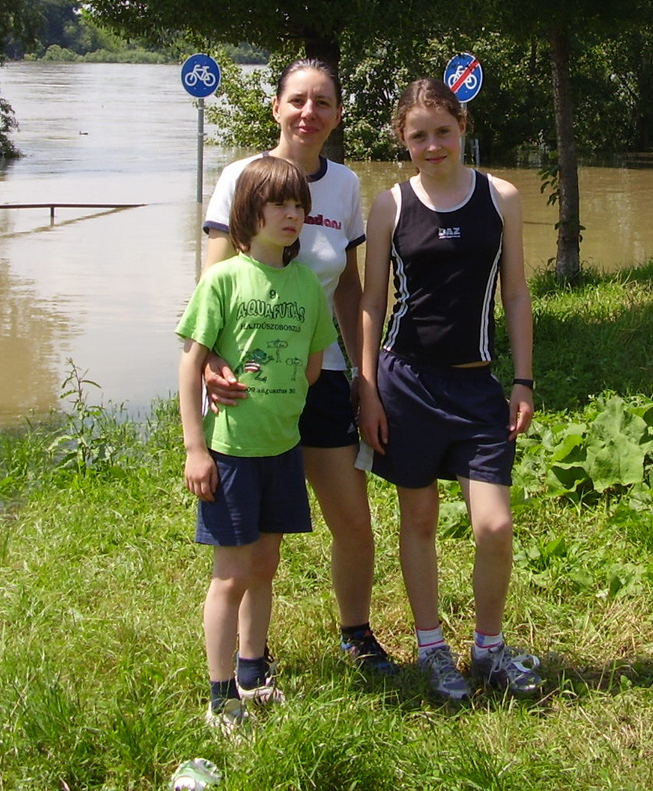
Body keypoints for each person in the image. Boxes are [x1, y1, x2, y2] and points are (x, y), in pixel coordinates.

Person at [201, 59, 397, 676]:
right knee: (257, 538)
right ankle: (246, 658)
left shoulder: (343, 187)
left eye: (323, 103)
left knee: (353, 520)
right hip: (249, 384)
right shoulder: (241, 177)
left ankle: (356, 634)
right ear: (276, 109)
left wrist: (365, 382)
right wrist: (209, 363)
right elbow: (213, 282)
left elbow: (352, 293)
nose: (309, 113)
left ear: (338, 115)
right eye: (297, 101)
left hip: (324, 374)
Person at [355, 77, 542, 702]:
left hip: (478, 390)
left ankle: (488, 650)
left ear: (462, 127)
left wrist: (522, 379)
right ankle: (432, 647)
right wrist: (367, 388)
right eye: (417, 136)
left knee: (494, 526)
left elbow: (514, 292)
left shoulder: (501, 198)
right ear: (402, 142)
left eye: (441, 131)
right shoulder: (391, 206)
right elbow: (371, 303)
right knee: (421, 519)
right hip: (404, 384)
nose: (431, 146)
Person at [177, 155, 339, 732]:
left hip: (282, 449)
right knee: (231, 573)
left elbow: (315, 366)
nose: (291, 214)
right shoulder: (223, 279)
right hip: (231, 453)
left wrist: (278, 386)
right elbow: (191, 364)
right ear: (249, 213)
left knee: (265, 565)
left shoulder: (307, 286)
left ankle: (252, 671)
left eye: (298, 205)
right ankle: (220, 697)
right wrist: (197, 449)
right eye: (278, 204)